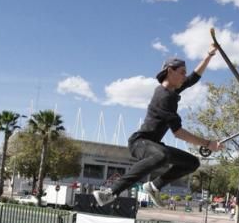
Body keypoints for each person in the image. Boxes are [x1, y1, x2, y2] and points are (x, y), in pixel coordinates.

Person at [93, 48, 222, 208]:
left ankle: (154, 186)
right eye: (182, 72)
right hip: (140, 142)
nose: (184, 76)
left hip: (155, 145)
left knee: (192, 162)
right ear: (170, 71)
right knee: (162, 155)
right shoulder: (164, 96)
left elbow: (193, 78)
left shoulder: (173, 89)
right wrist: (208, 143)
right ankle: (110, 192)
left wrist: (208, 56)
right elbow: (178, 133)